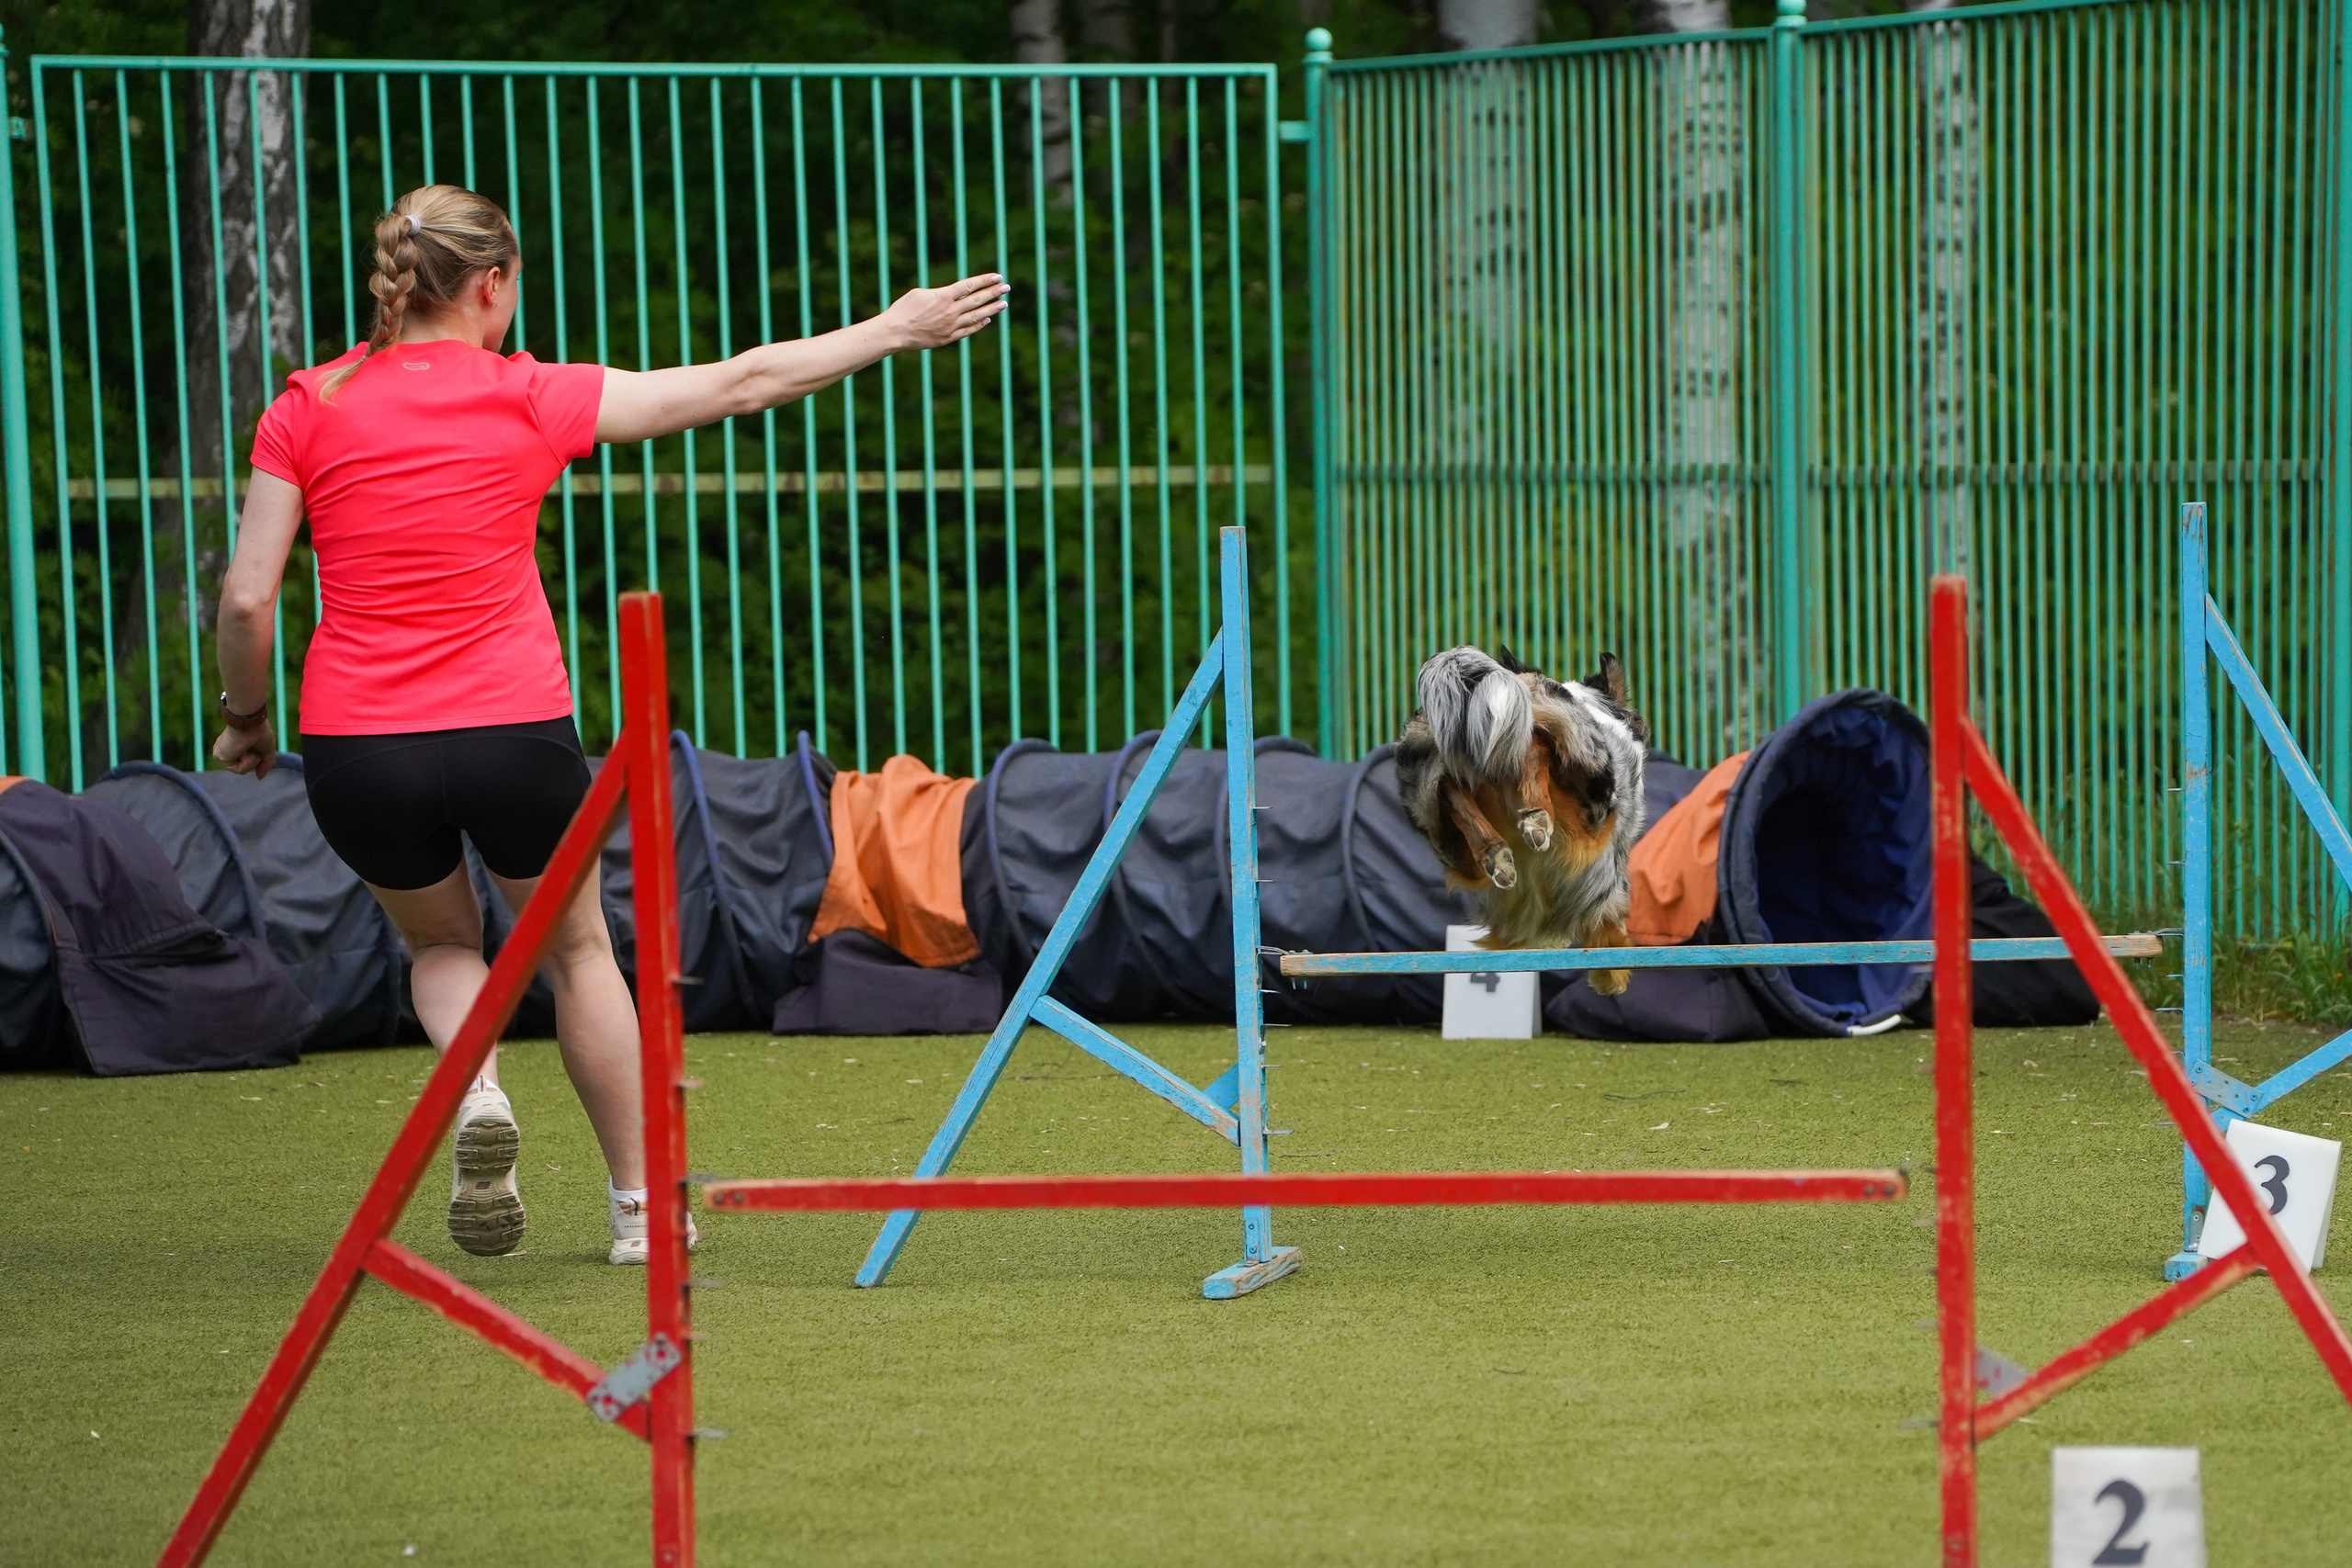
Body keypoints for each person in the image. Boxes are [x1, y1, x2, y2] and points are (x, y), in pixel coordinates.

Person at [212, 184, 1007, 1264]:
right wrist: (892, 328)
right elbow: (739, 384)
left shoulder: (308, 402)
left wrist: (245, 721)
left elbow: (249, 599)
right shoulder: (530, 393)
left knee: (442, 942)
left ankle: (477, 1086)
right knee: (578, 951)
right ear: (491, 286)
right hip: (513, 734)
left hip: (361, 745)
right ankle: (643, 1213)